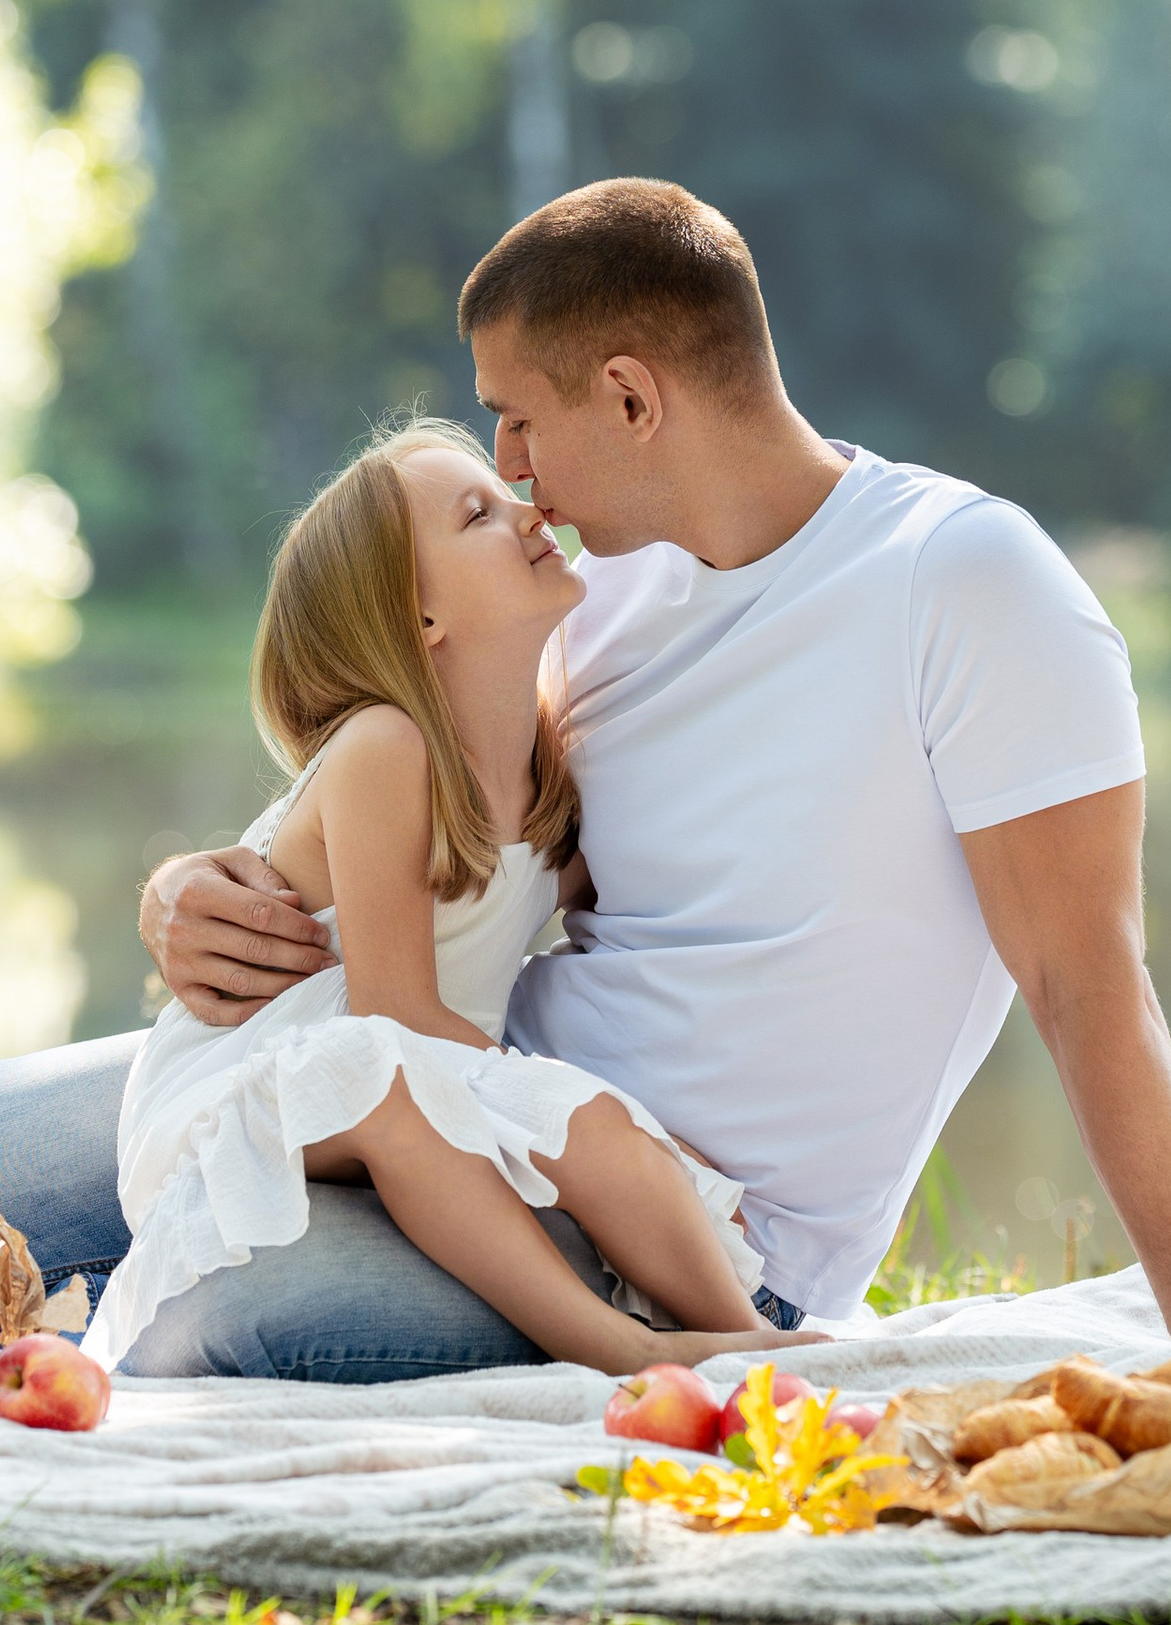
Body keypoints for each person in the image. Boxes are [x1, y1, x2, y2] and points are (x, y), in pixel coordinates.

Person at [0, 177, 1171, 1373]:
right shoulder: (587, 586)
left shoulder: (961, 583)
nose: (507, 467)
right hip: (431, 1079)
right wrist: (181, 893)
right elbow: (395, 780)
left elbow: (1087, 982)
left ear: (628, 398)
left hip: (680, 1239)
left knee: (226, 1320)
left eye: (516, 417)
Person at [85, 421, 780, 1379]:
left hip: (413, 1057)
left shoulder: (545, 766)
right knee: (416, 1087)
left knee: (594, 1125)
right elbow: (393, 1013)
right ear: (420, 622)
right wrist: (556, 1097)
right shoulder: (387, 747)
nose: (527, 510)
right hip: (253, 1080)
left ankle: (753, 1343)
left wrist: (620, 1132)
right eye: (478, 514)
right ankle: (614, 1348)